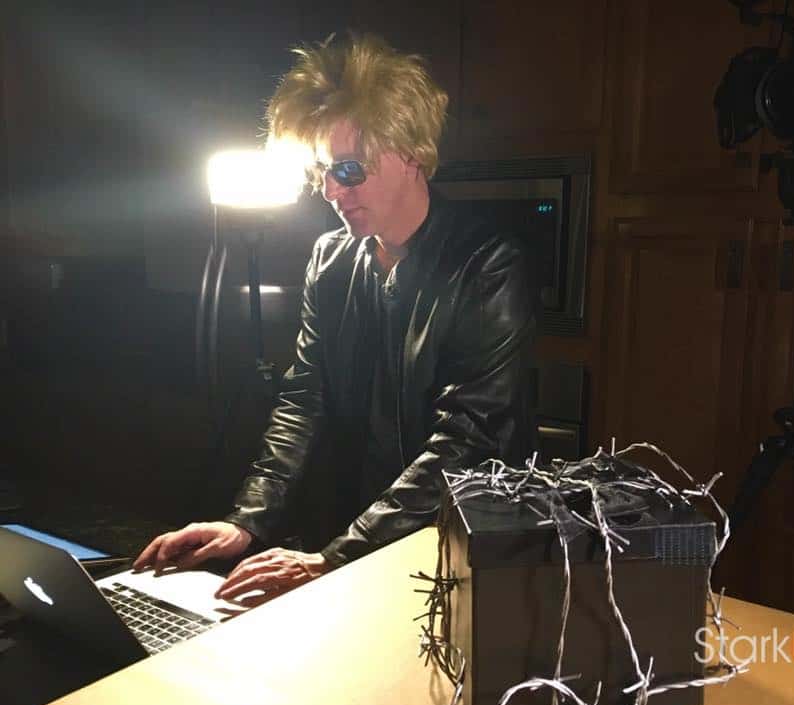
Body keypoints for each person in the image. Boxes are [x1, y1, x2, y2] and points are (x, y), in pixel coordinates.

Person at [133, 33, 536, 605]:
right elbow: (305, 399)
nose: (329, 191)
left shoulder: (487, 262)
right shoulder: (330, 258)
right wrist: (247, 522)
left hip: (452, 553)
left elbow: (466, 442)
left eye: (348, 169)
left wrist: (338, 556)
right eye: (321, 171)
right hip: (348, 542)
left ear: (411, 153)